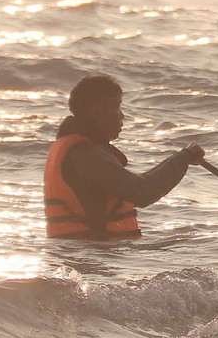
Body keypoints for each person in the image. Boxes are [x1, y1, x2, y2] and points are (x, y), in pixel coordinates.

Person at [44, 74, 204, 240]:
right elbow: (141, 192)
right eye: (116, 107)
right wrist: (183, 158)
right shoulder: (85, 154)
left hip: (81, 254)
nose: (122, 115)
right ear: (96, 112)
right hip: (93, 253)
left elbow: (138, 185)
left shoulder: (76, 148)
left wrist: (181, 157)